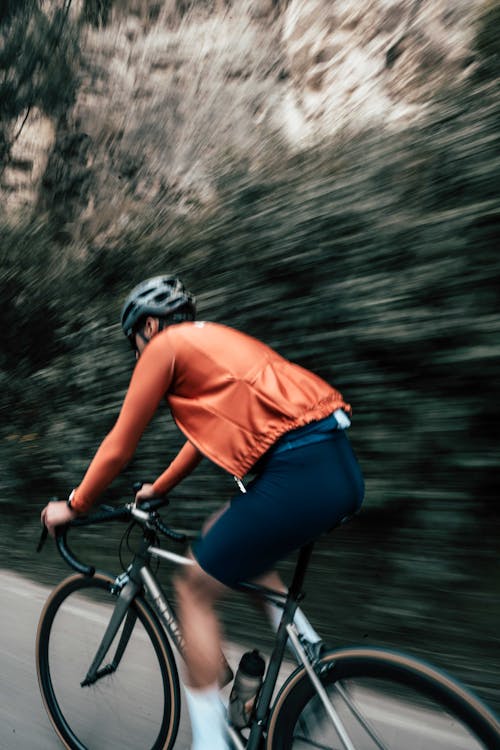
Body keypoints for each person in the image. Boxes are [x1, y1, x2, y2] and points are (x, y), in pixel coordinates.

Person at [41, 275, 364, 750]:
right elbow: (200, 441)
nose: (138, 351)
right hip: (336, 468)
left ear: (148, 325)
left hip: (300, 470)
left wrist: (73, 506)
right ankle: (308, 648)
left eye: (135, 339)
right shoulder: (213, 342)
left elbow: (118, 446)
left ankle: (210, 743)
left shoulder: (163, 347)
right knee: (225, 534)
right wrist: (159, 487)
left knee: (193, 587)